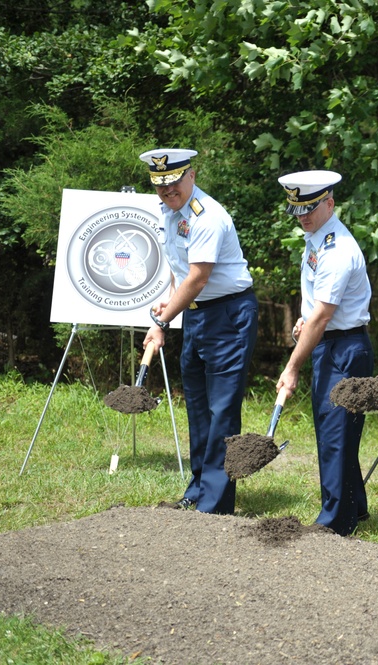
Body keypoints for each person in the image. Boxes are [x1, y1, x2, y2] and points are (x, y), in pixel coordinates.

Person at [140, 148, 258, 515]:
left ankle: (216, 502)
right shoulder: (171, 213)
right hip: (195, 315)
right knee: (198, 407)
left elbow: (199, 276)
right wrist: (168, 308)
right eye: (161, 184)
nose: (168, 190)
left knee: (222, 409)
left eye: (174, 181)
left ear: (191, 174)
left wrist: (160, 323)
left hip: (227, 315)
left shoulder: (206, 216)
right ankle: (198, 487)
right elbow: (179, 270)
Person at [275, 170, 374, 536]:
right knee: (335, 431)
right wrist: (306, 321)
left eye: (310, 209)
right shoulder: (317, 237)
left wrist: (292, 367)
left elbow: (324, 315)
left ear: (330, 203)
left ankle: (335, 521)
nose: (303, 217)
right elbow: (317, 310)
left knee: (336, 434)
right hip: (332, 341)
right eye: (298, 210)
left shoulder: (337, 248)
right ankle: (355, 507)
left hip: (345, 347)